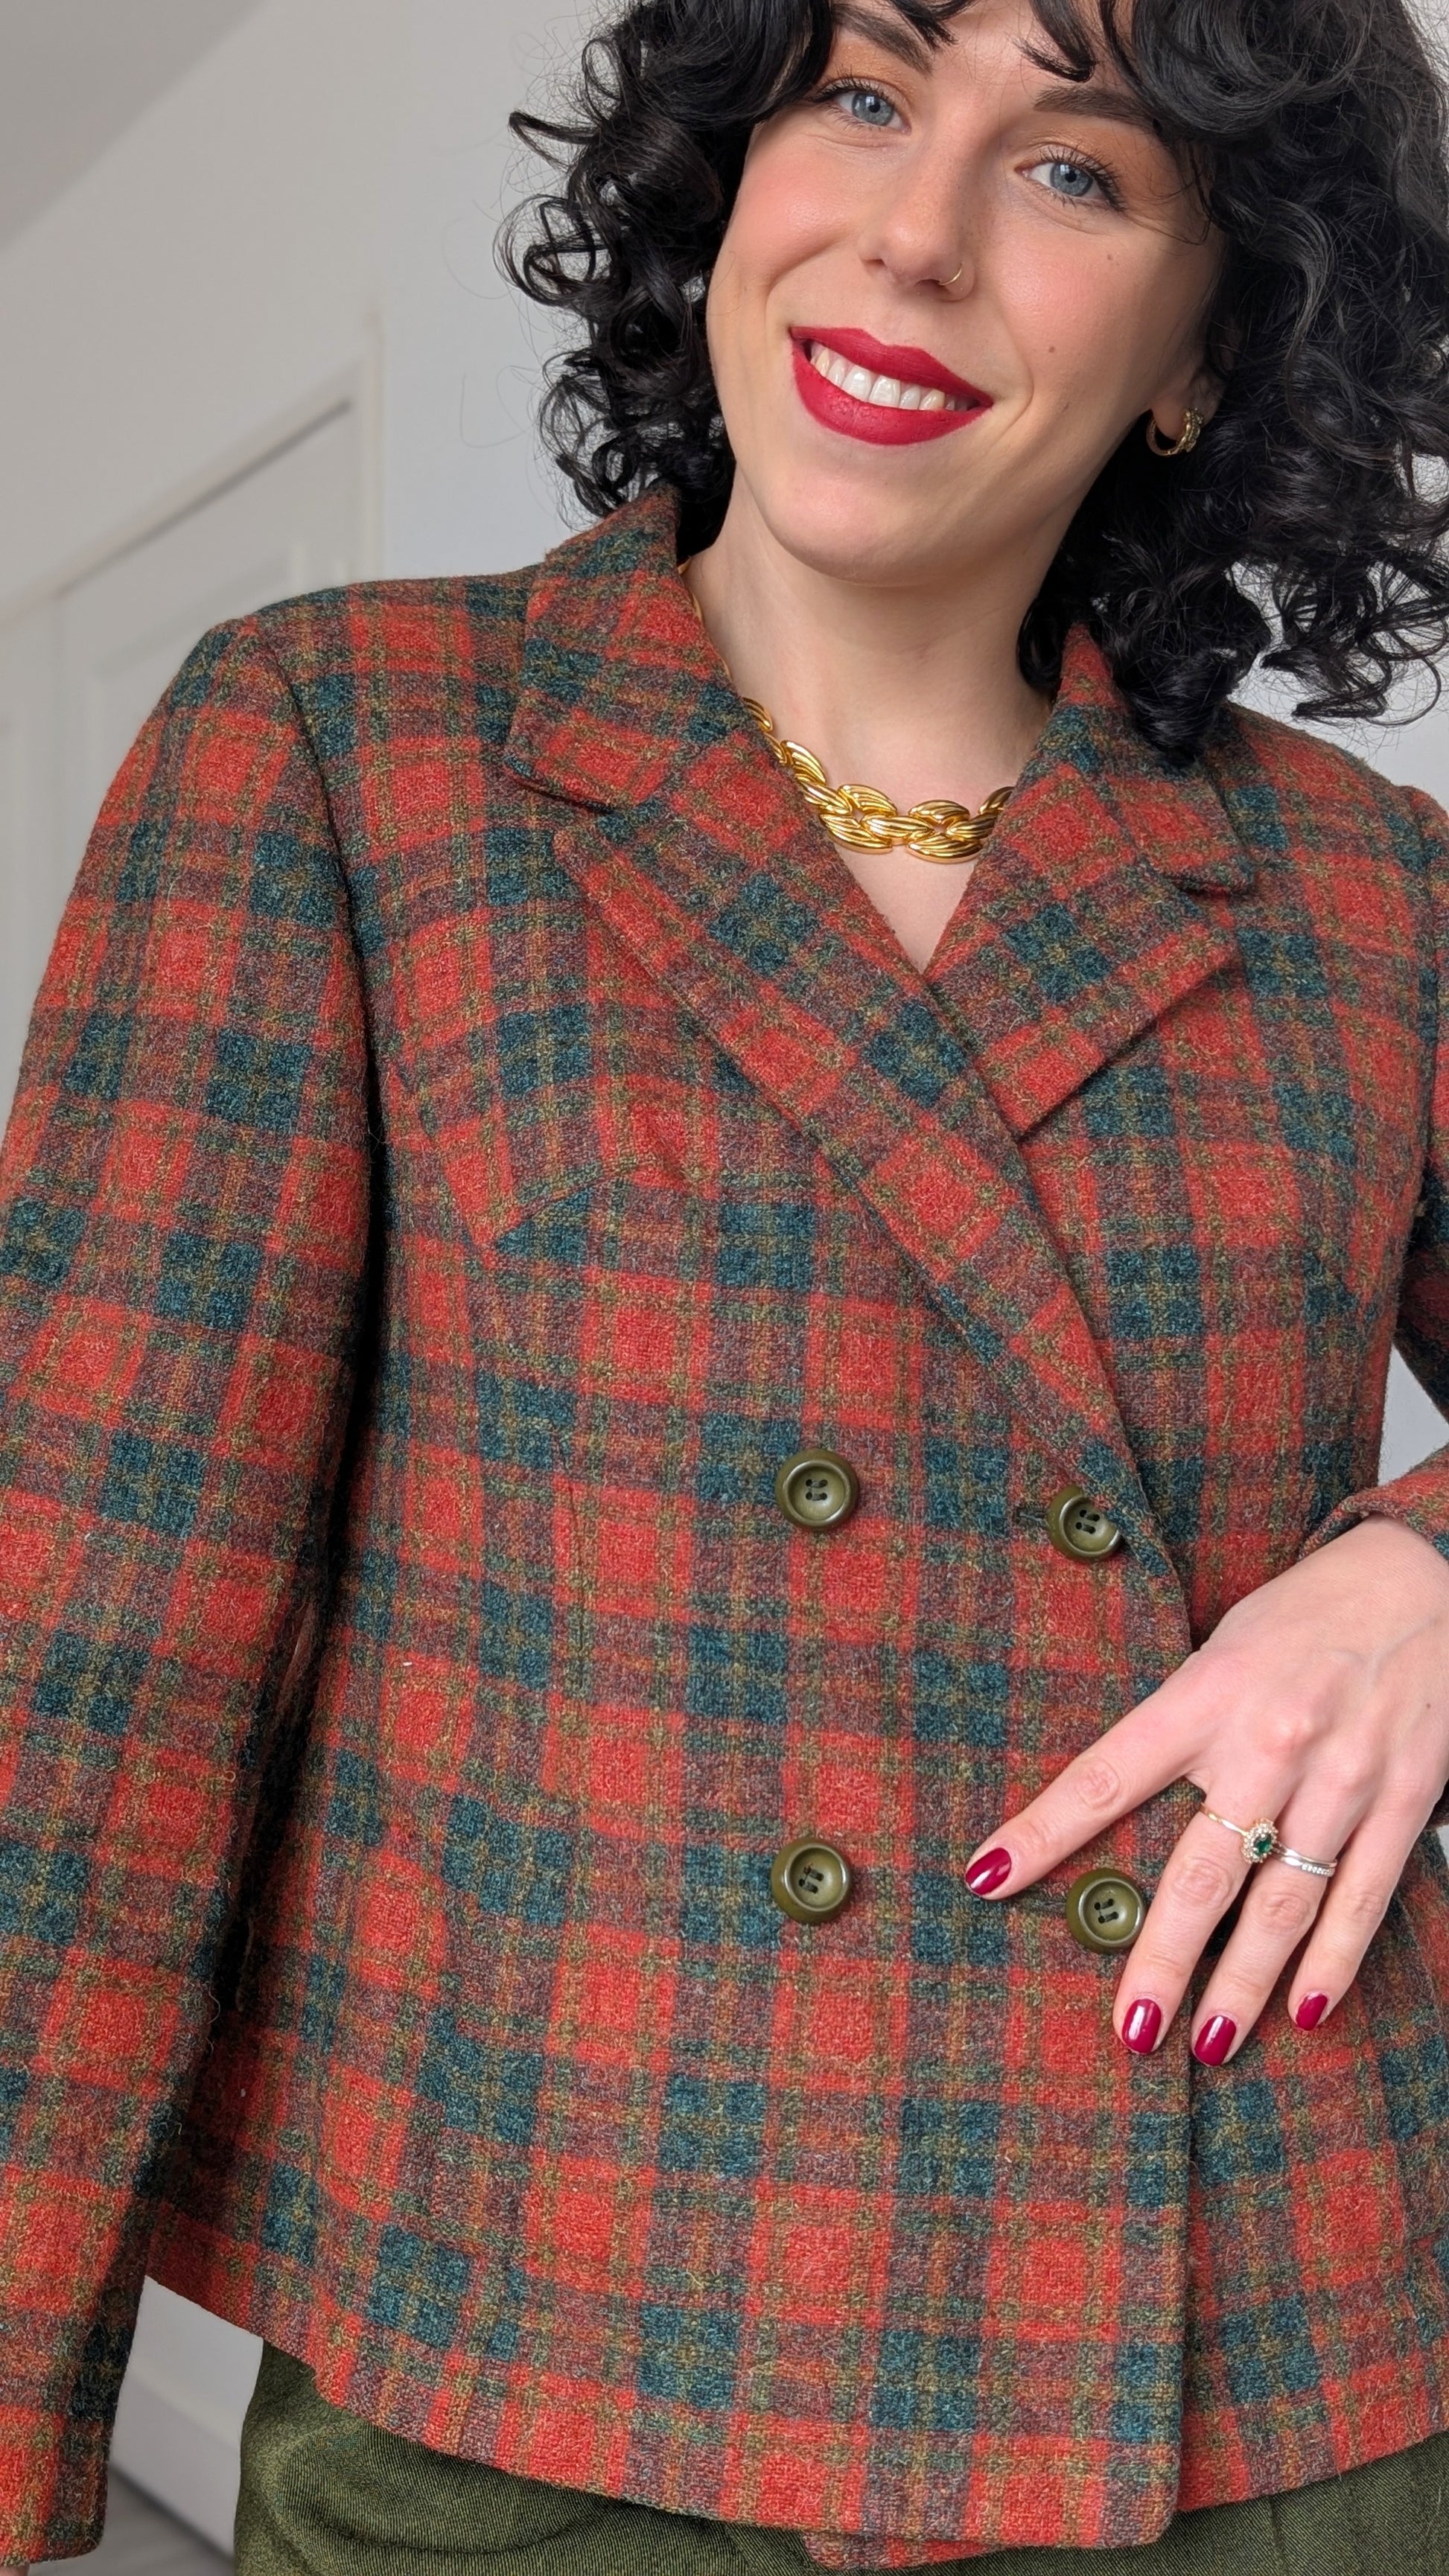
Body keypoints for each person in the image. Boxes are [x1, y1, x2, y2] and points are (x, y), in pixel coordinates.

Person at [6, 0, 1449, 2566]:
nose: (913, 230)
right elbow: (87, 1654)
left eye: (1076, 171)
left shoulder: (1364, 889)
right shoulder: (342, 744)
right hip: (540, 2367)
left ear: (1206, 350)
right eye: (862, 96)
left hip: (1260, 2361)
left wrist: (1425, 1576)